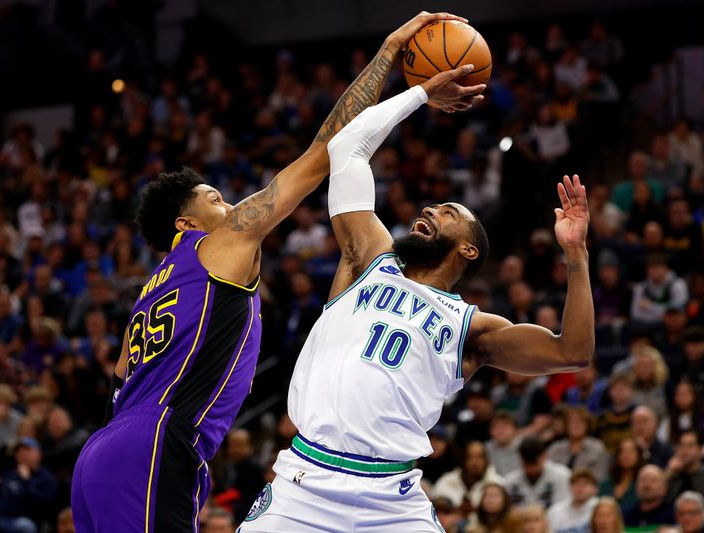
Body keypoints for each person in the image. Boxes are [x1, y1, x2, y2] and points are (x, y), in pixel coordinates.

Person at [71, 11, 484, 533]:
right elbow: (328, 149)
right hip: (155, 445)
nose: (230, 207)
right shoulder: (217, 244)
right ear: (186, 222)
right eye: (216, 199)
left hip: (102, 452)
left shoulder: (153, 288)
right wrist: (396, 65)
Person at [240, 37, 593, 533]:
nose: (429, 209)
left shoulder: (471, 327)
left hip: (391, 499)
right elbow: (347, 148)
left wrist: (576, 257)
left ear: (468, 249)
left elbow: (571, 352)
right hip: (305, 483)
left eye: (448, 213)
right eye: (431, 206)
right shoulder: (369, 261)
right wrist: (421, 94)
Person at [432, 441, 505, 511]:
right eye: (470, 457)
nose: (475, 462)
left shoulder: (498, 484)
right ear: (463, 460)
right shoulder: (445, 482)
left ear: (486, 460)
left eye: (480, 457)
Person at [506, 436, 572, 508]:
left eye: (534, 463)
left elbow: (563, 510)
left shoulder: (562, 475)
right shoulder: (510, 481)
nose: (531, 469)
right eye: (527, 464)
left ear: (544, 456)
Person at [665, 430, 704, 507]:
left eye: (690, 446)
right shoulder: (671, 476)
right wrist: (668, 473)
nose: (684, 451)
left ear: (700, 450)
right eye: (681, 445)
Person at [548, 406, 610, 482]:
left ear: (587, 425)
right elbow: (547, 475)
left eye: (580, 421)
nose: (575, 425)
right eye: (571, 422)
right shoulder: (555, 448)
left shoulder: (597, 448)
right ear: (566, 425)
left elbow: (600, 477)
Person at [547, 468, 599, 533]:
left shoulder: (600, 509)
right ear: (569, 487)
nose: (580, 486)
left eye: (585, 483)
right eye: (576, 483)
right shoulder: (554, 511)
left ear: (594, 488)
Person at [623, 465, 675, 529]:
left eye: (653, 481)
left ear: (664, 487)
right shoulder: (625, 515)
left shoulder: (674, 514)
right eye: (643, 480)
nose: (647, 485)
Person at [598, 437, 643, 510]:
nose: (626, 455)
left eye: (630, 451)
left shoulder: (643, 483)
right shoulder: (607, 483)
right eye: (622, 451)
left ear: (639, 455)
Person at [486, 412, 523, 477]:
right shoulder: (486, 449)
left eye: (504, 427)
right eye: (496, 427)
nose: (500, 431)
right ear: (490, 431)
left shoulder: (524, 446)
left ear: (515, 429)